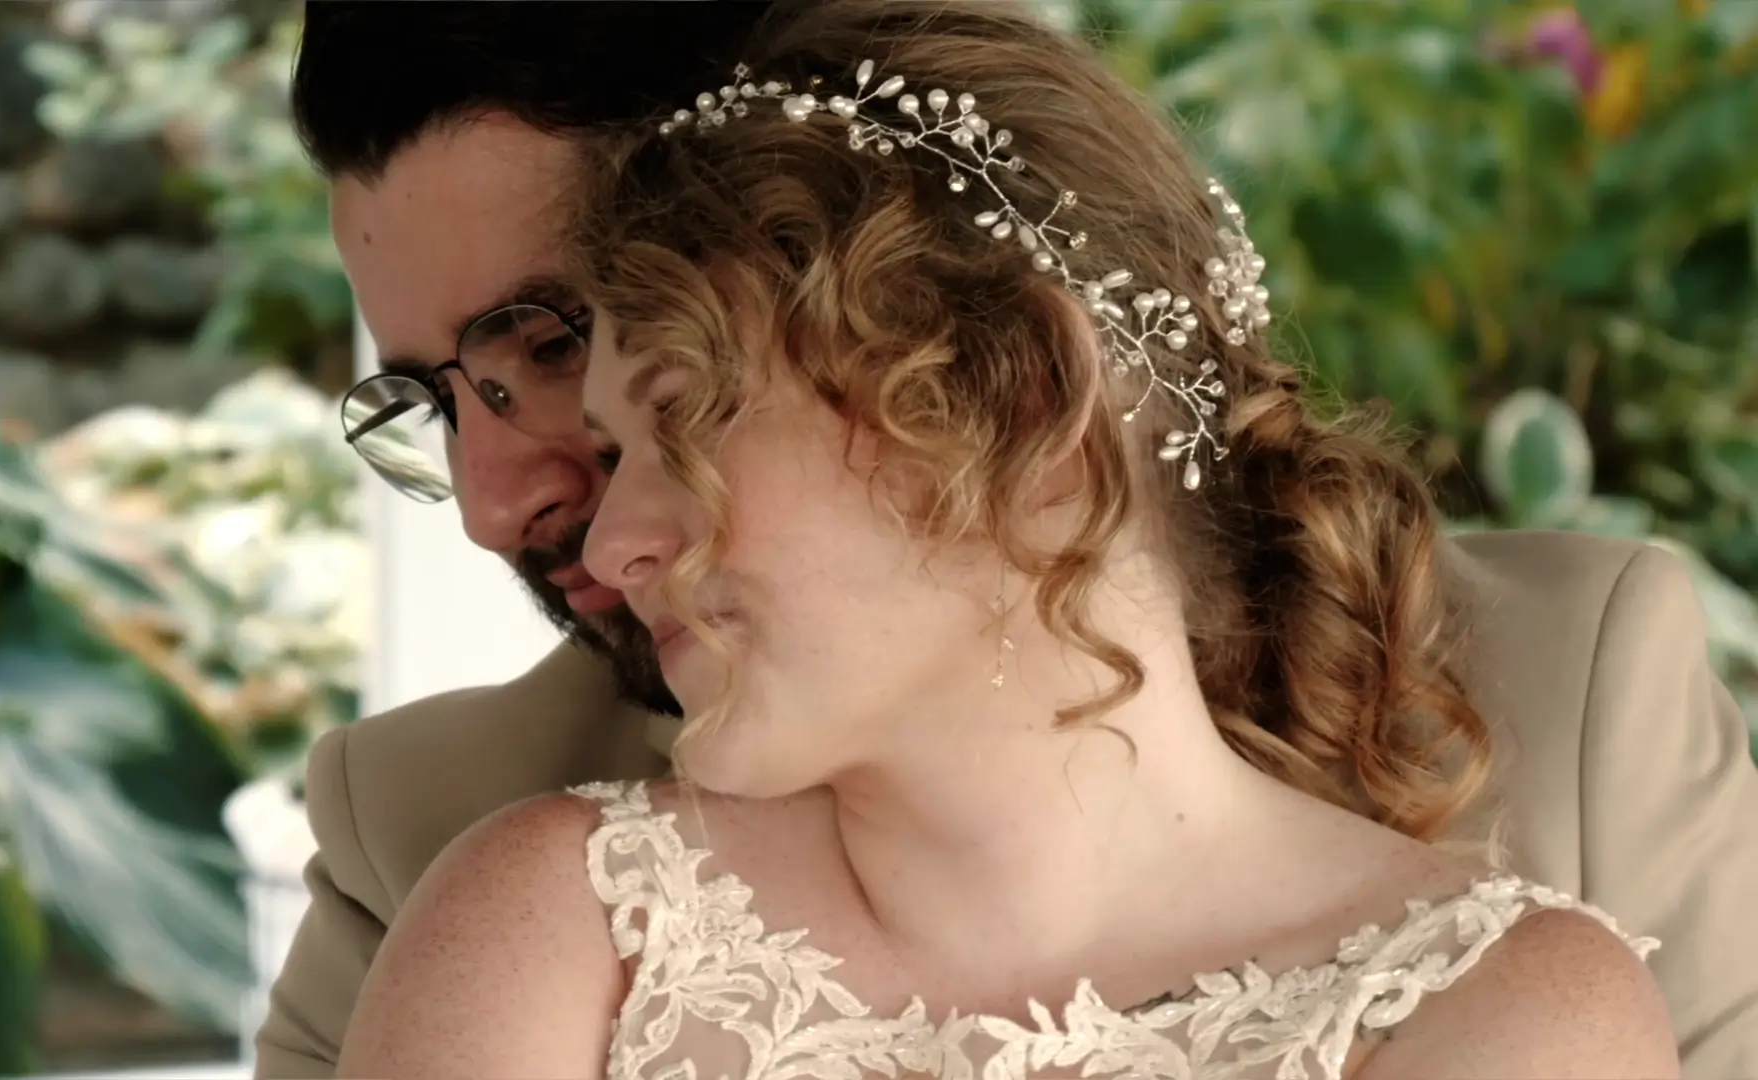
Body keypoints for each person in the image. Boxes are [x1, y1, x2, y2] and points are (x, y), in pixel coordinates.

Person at [257, 2, 1758, 1077]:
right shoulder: (506, 874)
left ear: (987, 374)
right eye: (431, 401)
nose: (493, 499)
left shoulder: (1553, 819)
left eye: (554, 339)